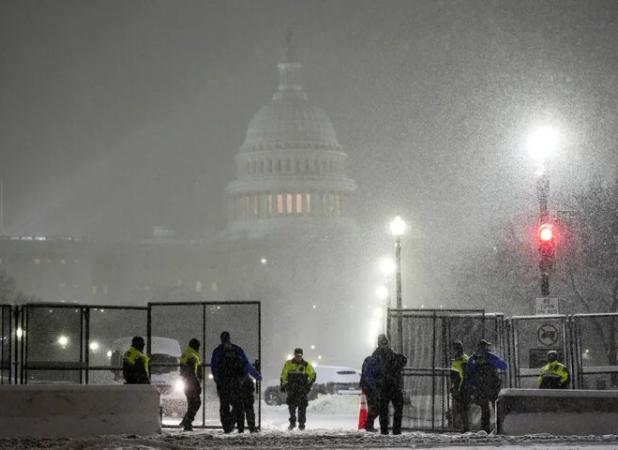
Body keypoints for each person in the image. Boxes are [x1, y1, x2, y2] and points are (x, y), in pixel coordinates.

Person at [211, 331, 262, 433]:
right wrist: (256, 375)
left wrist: (218, 380)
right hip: (236, 382)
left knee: (224, 406)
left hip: (224, 383)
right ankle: (240, 427)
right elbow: (246, 365)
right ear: (229, 338)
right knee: (238, 405)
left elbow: (214, 367)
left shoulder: (218, 351)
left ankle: (227, 427)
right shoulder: (237, 349)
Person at [465, 339, 507, 433]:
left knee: (486, 409)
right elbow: (504, 366)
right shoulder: (489, 357)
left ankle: (486, 429)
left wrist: (471, 387)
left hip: (482, 388)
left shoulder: (474, 358)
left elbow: (468, 374)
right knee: (495, 407)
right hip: (490, 387)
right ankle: (498, 427)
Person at [373, 334, 407, 435]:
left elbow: (375, 370)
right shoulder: (391, 354)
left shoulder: (376, 355)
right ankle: (396, 430)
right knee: (397, 408)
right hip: (393, 386)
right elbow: (403, 360)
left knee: (384, 410)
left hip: (384, 387)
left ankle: (385, 430)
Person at [280, 348, 316, 430]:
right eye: (297, 355)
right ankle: (292, 423)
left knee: (302, 408)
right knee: (291, 408)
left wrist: (308, 385)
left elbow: (313, 375)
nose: (298, 357)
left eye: (300, 355)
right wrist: (283, 385)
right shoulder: (288, 364)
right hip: (291, 390)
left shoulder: (306, 365)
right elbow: (283, 375)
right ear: (294, 355)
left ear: (302, 355)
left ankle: (301, 425)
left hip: (302, 390)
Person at [179, 338, 202, 431]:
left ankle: (186, 423)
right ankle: (187, 421)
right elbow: (191, 371)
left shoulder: (186, 353)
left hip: (186, 382)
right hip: (191, 382)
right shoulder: (192, 355)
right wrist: (197, 383)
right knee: (196, 403)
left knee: (192, 403)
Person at [449, 340, 469, 432]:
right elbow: (455, 374)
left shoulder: (463, 359)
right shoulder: (456, 359)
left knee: (462, 407)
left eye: (453, 349)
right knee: (459, 407)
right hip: (458, 386)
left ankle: (466, 427)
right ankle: (463, 426)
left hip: (463, 387)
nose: (452, 351)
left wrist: (459, 387)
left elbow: (464, 376)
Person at [237, 360, 260, 433]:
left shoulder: (237, 378)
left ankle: (241, 428)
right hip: (248, 397)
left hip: (241, 397)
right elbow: (252, 388)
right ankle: (251, 428)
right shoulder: (247, 379)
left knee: (240, 413)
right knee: (249, 412)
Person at [360, 353, 379, 432]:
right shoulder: (373, 362)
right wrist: (374, 387)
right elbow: (369, 377)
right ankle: (368, 425)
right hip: (369, 388)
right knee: (375, 407)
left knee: (373, 407)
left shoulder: (369, 360)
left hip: (367, 387)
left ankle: (368, 425)